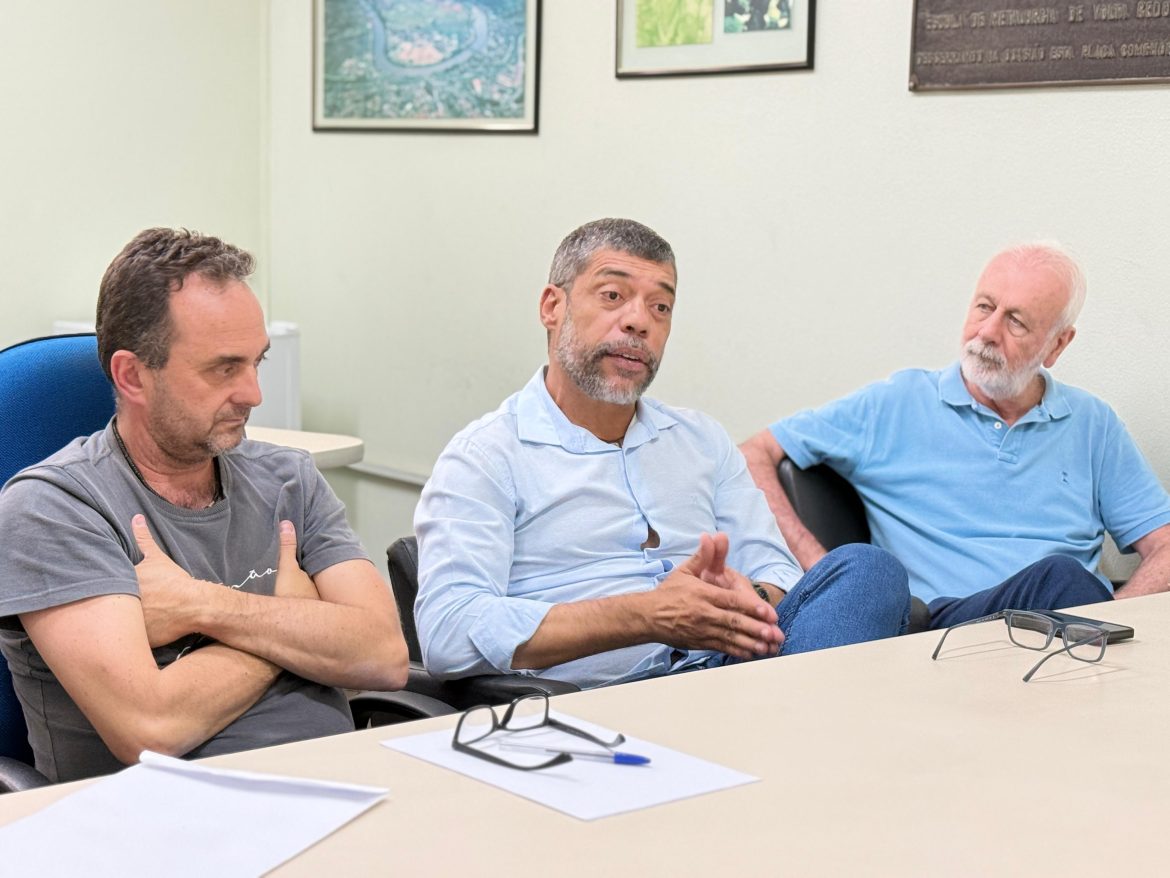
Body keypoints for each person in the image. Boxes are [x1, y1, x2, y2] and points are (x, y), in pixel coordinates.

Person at [414, 218, 908, 689]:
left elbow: (777, 572)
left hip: (730, 672)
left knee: (868, 571)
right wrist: (644, 615)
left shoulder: (701, 440)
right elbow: (448, 632)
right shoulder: (486, 456)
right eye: (613, 296)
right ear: (552, 306)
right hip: (600, 698)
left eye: (660, 307)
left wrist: (744, 600)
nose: (639, 323)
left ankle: (781, 726)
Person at [0, 228, 408, 783]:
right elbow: (151, 726)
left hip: (344, 788)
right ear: (132, 375)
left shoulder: (290, 478)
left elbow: (384, 654)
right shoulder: (54, 508)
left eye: (257, 362)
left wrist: (203, 605)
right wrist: (294, 620)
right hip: (161, 819)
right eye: (223, 368)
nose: (253, 394)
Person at [740, 242, 1170, 630]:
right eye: (985, 307)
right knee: (1059, 578)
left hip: (1071, 629)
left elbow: (1164, 544)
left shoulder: (1093, 424)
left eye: (1016, 321)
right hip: (948, 629)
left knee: (1067, 586)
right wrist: (821, 570)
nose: (988, 332)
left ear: (1057, 345)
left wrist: (1119, 616)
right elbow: (755, 452)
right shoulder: (896, 404)